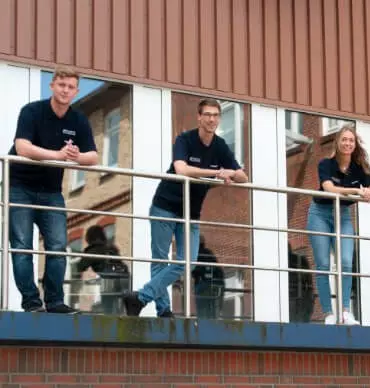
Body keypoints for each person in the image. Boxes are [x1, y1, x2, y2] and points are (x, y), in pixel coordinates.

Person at [122, 98, 248, 317]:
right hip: (165, 206)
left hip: (191, 212)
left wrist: (232, 173)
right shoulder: (184, 139)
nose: (211, 119)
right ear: (199, 117)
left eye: (216, 115)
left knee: (188, 261)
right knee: (160, 259)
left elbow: (244, 178)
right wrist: (217, 172)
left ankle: (140, 298)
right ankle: (163, 310)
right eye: (207, 115)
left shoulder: (220, 146)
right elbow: (181, 169)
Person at [7, 67, 98, 314]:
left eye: (70, 87)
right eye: (61, 85)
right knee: (23, 247)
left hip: (51, 192)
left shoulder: (78, 120)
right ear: (52, 86)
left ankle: (55, 301)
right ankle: (32, 303)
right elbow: (22, 147)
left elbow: (93, 157)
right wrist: (57, 156)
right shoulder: (32, 111)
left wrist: (76, 156)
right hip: (19, 187)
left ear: (76, 91)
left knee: (58, 247)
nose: (65, 90)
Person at [306, 124, 370, 325]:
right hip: (320, 213)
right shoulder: (326, 164)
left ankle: (346, 311)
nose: (347, 143)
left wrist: (368, 192)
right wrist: (357, 192)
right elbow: (329, 188)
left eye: (351, 140)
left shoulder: (360, 168)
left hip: (343, 215)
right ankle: (328, 313)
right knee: (323, 264)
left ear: (355, 145)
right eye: (344, 140)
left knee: (346, 262)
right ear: (337, 143)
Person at [77, 225, 129, 315]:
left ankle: (110, 324)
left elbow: (80, 266)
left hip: (108, 281)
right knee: (120, 308)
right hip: (124, 278)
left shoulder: (92, 250)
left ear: (89, 238)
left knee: (107, 308)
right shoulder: (111, 249)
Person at [192, 235, 225, 319]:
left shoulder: (195, 254)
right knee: (213, 311)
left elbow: (195, 271)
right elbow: (218, 270)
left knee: (202, 311)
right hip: (216, 284)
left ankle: (204, 325)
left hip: (204, 284)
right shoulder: (209, 253)